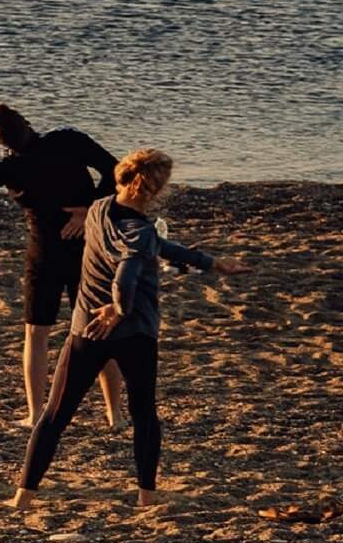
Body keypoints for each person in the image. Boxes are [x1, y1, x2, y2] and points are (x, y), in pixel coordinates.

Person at [15, 149, 247, 510]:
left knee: (54, 415)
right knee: (143, 413)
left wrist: (211, 263)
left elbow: (161, 247)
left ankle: (23, 497)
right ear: (155, 190)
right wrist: (117, 308)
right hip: (134, 332)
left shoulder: (97, 210)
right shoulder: (137, 231)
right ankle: (146, 497)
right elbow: (126, 279)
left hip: (84, 330)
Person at [0, 103, 128, 428]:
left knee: (37, 332)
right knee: (99, 328)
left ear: (3, 144)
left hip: (46, 253)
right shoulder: (68, 139)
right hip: (88, 247)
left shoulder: (10, 167)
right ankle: (116, 415)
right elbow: (119, 172)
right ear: (28, 123)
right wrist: (89, 210)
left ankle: (36, 414)